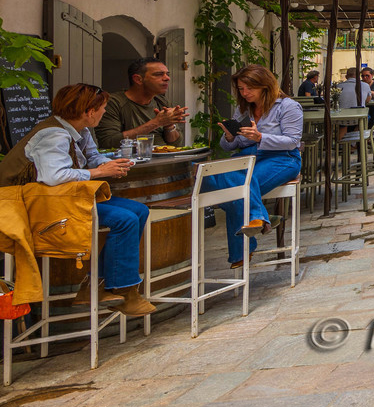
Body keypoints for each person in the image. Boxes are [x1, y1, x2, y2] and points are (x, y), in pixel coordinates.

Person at [5, 84, 155, 315]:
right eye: (103, 108)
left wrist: (111, 163)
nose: (105, 112)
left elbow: (91, 157)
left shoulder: (80, 130)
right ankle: (125, 291)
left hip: (60, 199)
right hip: (30, 206)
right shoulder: (53, 135)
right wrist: (99, 173)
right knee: (124, 219)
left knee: (139, 211)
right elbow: (54, 176)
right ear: (89, 111)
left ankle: (96, 285)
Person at [205, 64, 303, 270]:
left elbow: (293, 141)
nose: (245, 93)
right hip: (249, 155)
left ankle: (242, 249)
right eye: (241, 89)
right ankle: (259, 216)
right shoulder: (243, 108)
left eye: (249, 88)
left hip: (283, 157)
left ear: (264, 86)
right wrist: (230, 137)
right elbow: (236, 143)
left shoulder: (287, 106)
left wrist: (260, 137)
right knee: (213, 177)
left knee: (241, 186)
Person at [95, 58, 188, 150]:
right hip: (134, 163)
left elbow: (176, 144)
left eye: (167, 74)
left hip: (166, 160)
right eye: (158, 74)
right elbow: (108, 142)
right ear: (138, 79)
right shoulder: (114, 103)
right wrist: (157, 122)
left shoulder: (161, 101)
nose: (167, 78)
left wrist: (169, 125)